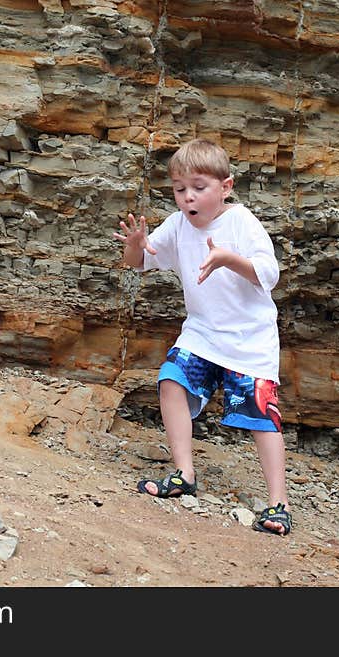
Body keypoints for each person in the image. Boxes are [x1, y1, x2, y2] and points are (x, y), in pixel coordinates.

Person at [112, 138, 291, 536]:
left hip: (250, 340)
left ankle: (279, 504)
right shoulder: (177, 225)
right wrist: (135, 247)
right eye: (179, 189)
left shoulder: (241, 222)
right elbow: (140, 264)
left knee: (262, 418)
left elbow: (270, 274)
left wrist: (227, 258)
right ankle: (183, 472)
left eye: (198, 187)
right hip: (203, 333)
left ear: (225, 187)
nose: (187, 197)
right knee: (171, 380)